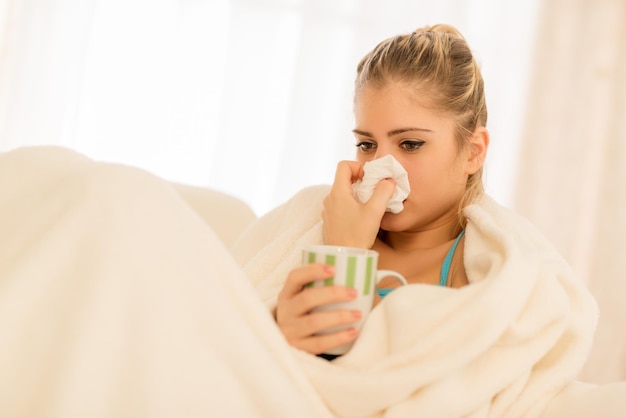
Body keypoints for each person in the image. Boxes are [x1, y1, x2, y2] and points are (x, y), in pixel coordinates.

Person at [275, 24, 489, 356]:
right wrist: (276, 330)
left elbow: (427, 383)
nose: (381, 168)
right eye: (366, 144)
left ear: (473, 152)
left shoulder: (477, 262)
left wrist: (345, 253)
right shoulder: (319, 219)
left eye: (411, 144)